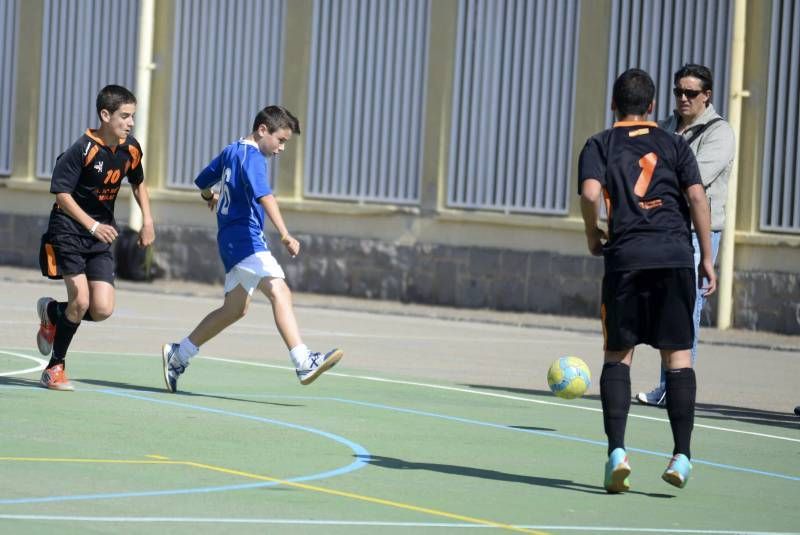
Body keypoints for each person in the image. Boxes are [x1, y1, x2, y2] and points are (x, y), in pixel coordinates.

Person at [578, 69, 717, 492]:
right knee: (678, 358)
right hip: (675, 257)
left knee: (618, 355)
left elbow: (588, 194)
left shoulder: (600, 143)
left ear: (613, 104)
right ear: (653, 106)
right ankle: (681, 456)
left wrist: (592, 232)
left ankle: (618, 452)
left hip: (627, 259)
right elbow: (696, 197)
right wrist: (706, 257)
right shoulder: (675, 143)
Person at [161, 106, 342, 392]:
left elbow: (201, 181)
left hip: (231, 239)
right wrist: (284, 233)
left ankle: (179, 354)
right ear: (262, 130)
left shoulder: (232, 150)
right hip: (246, 239)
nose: (282, 148)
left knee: (234, 310)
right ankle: (303, 360)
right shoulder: (255, 157)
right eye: (280, 140)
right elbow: (265, 196)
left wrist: (210, 195)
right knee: (280, 291)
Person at [36, 85, 156, 390]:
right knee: (81, 300)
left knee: (101, 309)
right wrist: (91, 225)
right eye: (124, 116)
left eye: (132, 117)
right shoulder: (82, 149)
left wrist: (148, 221)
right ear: (105, 115)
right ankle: (55, 368)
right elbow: (61, 194)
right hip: (69, 230)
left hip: (99, 235)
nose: (130, 123)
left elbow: (138, 182)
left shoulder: (130, 149)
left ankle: (53, 312)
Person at [638, 64, 735, 407]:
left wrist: (658, 173)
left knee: (687, 310)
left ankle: (677, 389)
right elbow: (641, 165)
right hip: (664, 227)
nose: (682, 98)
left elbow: (693, 179)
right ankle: (666, 384)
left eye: (690, 93)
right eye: (678, 91)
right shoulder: (665, 125)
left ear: (706, 96)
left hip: (696, 233)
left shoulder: (720, 132)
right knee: (666, 309)